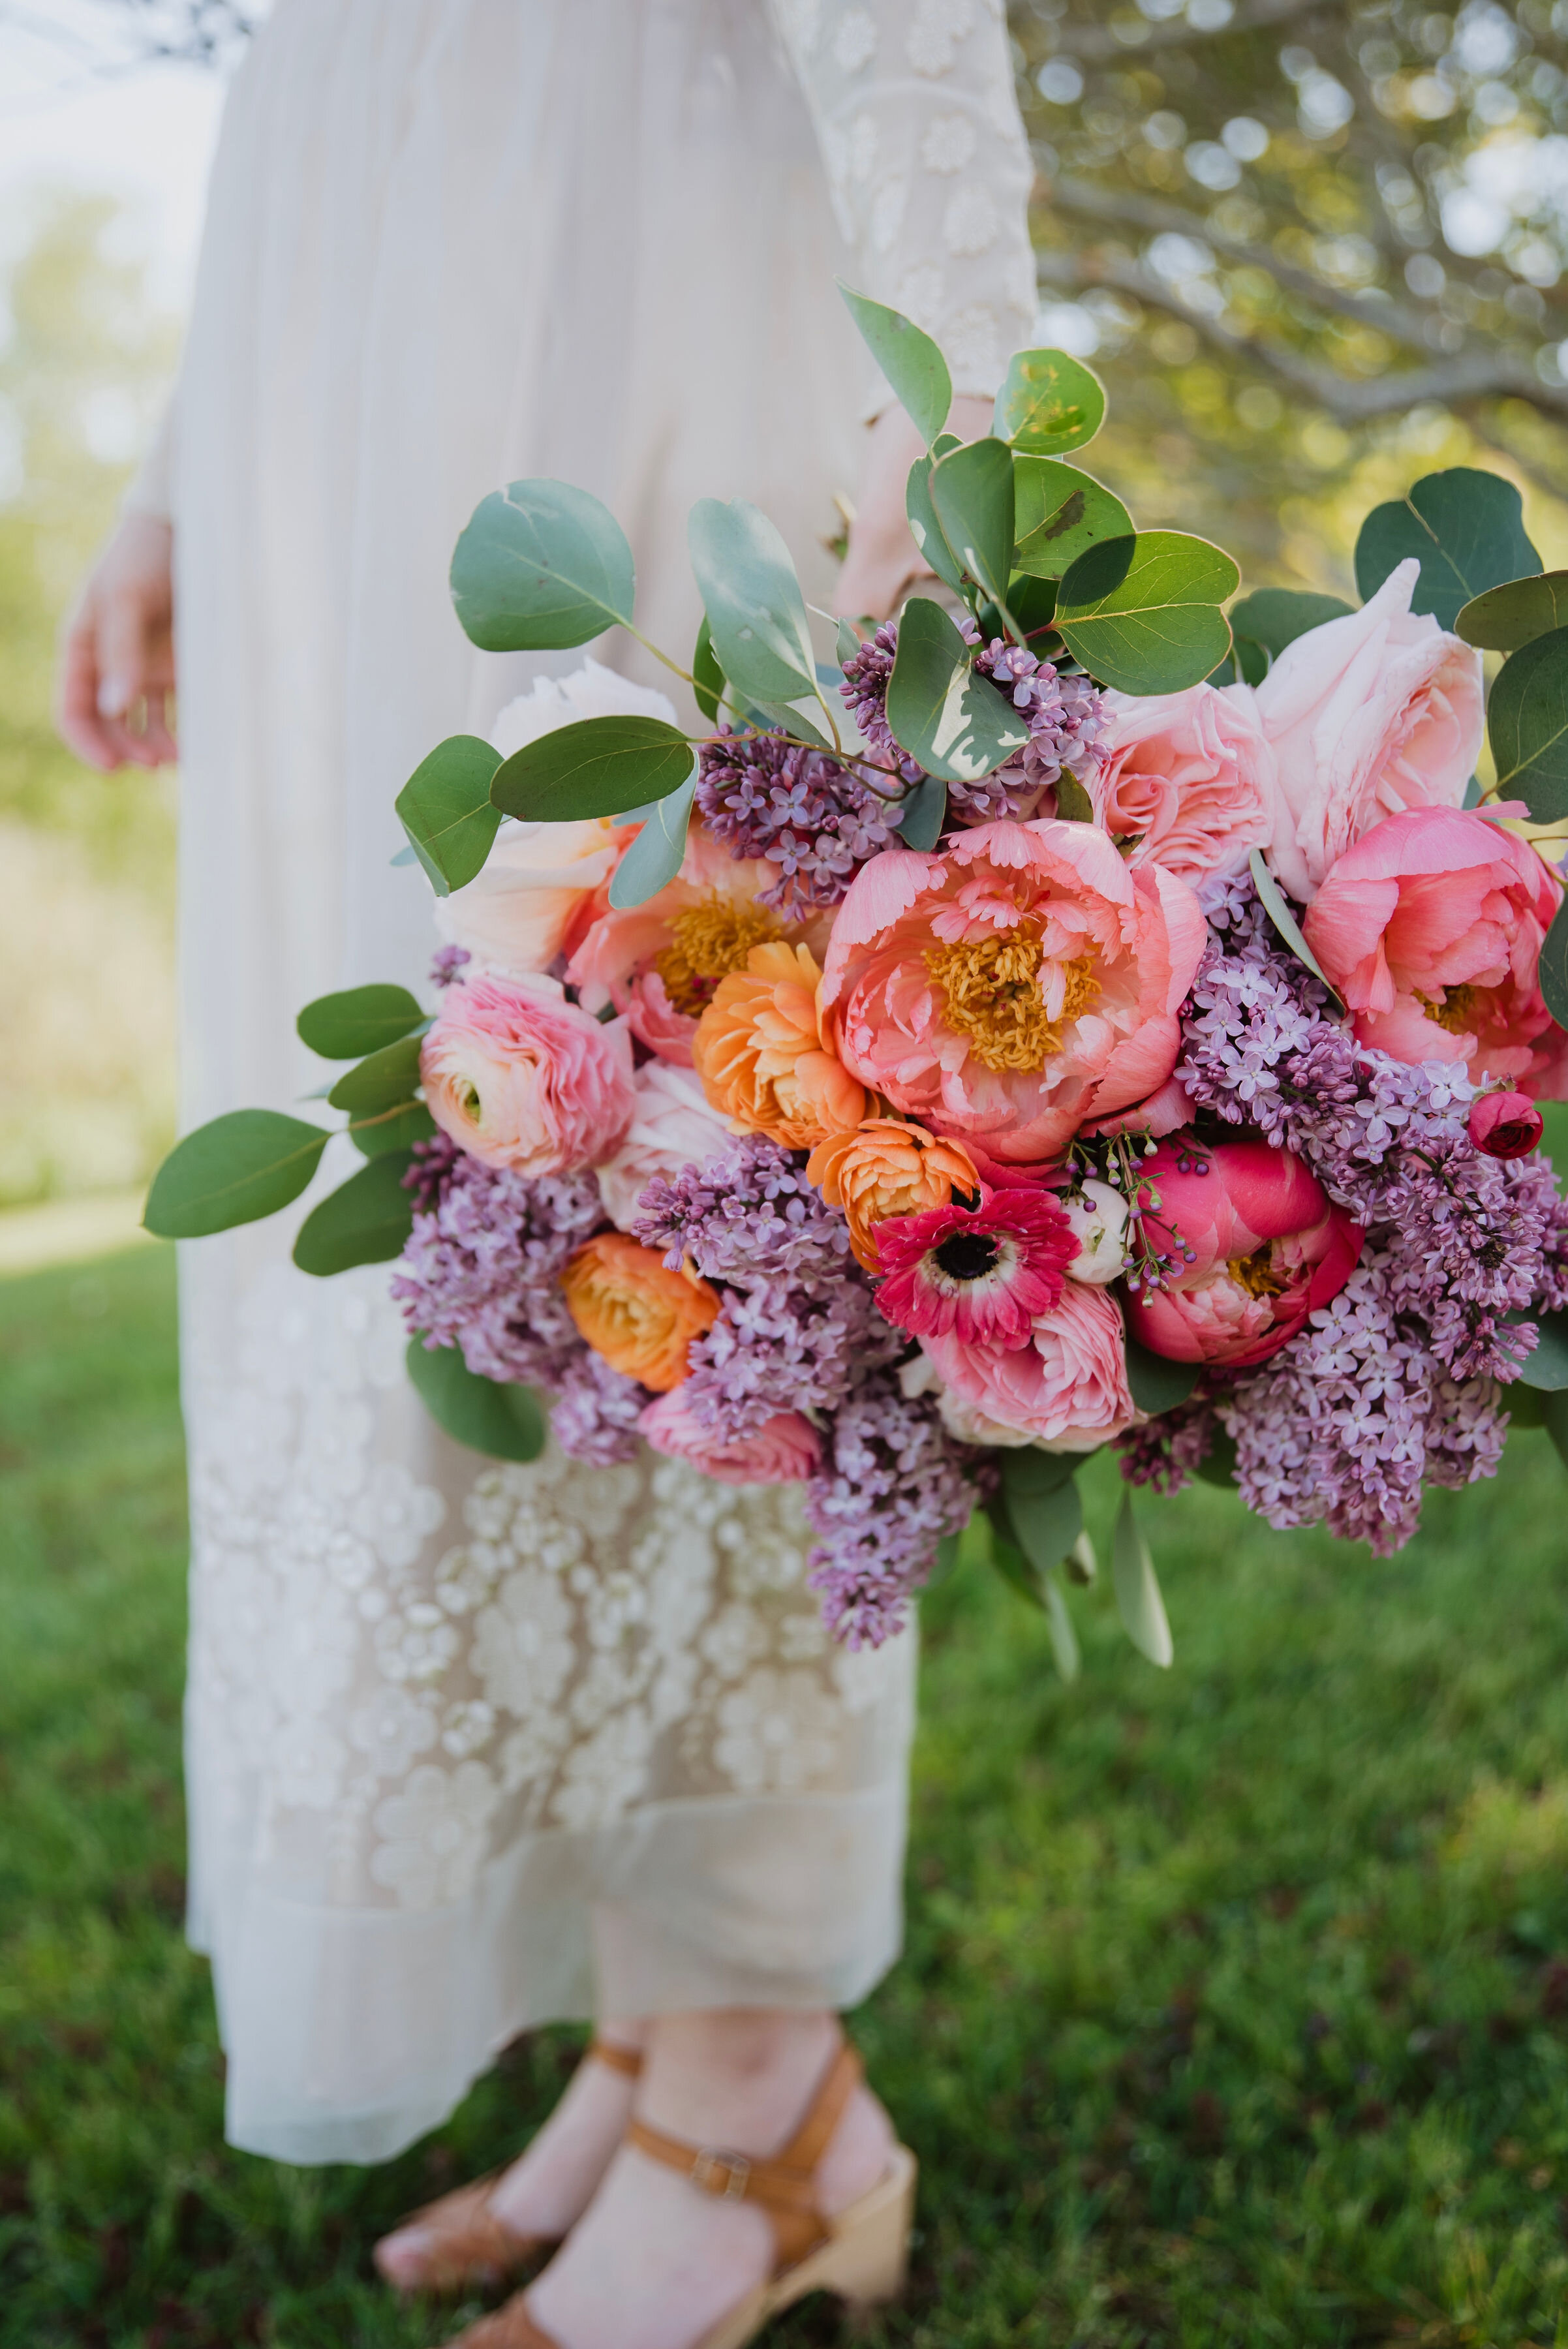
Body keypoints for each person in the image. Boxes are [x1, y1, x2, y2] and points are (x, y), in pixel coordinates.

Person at [57, 5, 1036, 2343]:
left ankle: (760, 2093)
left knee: (691, 1136)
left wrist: (961, 366)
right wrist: (192, 466)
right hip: (352, 313)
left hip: (651, 255)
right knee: (468, 1166)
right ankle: (646, 2033)